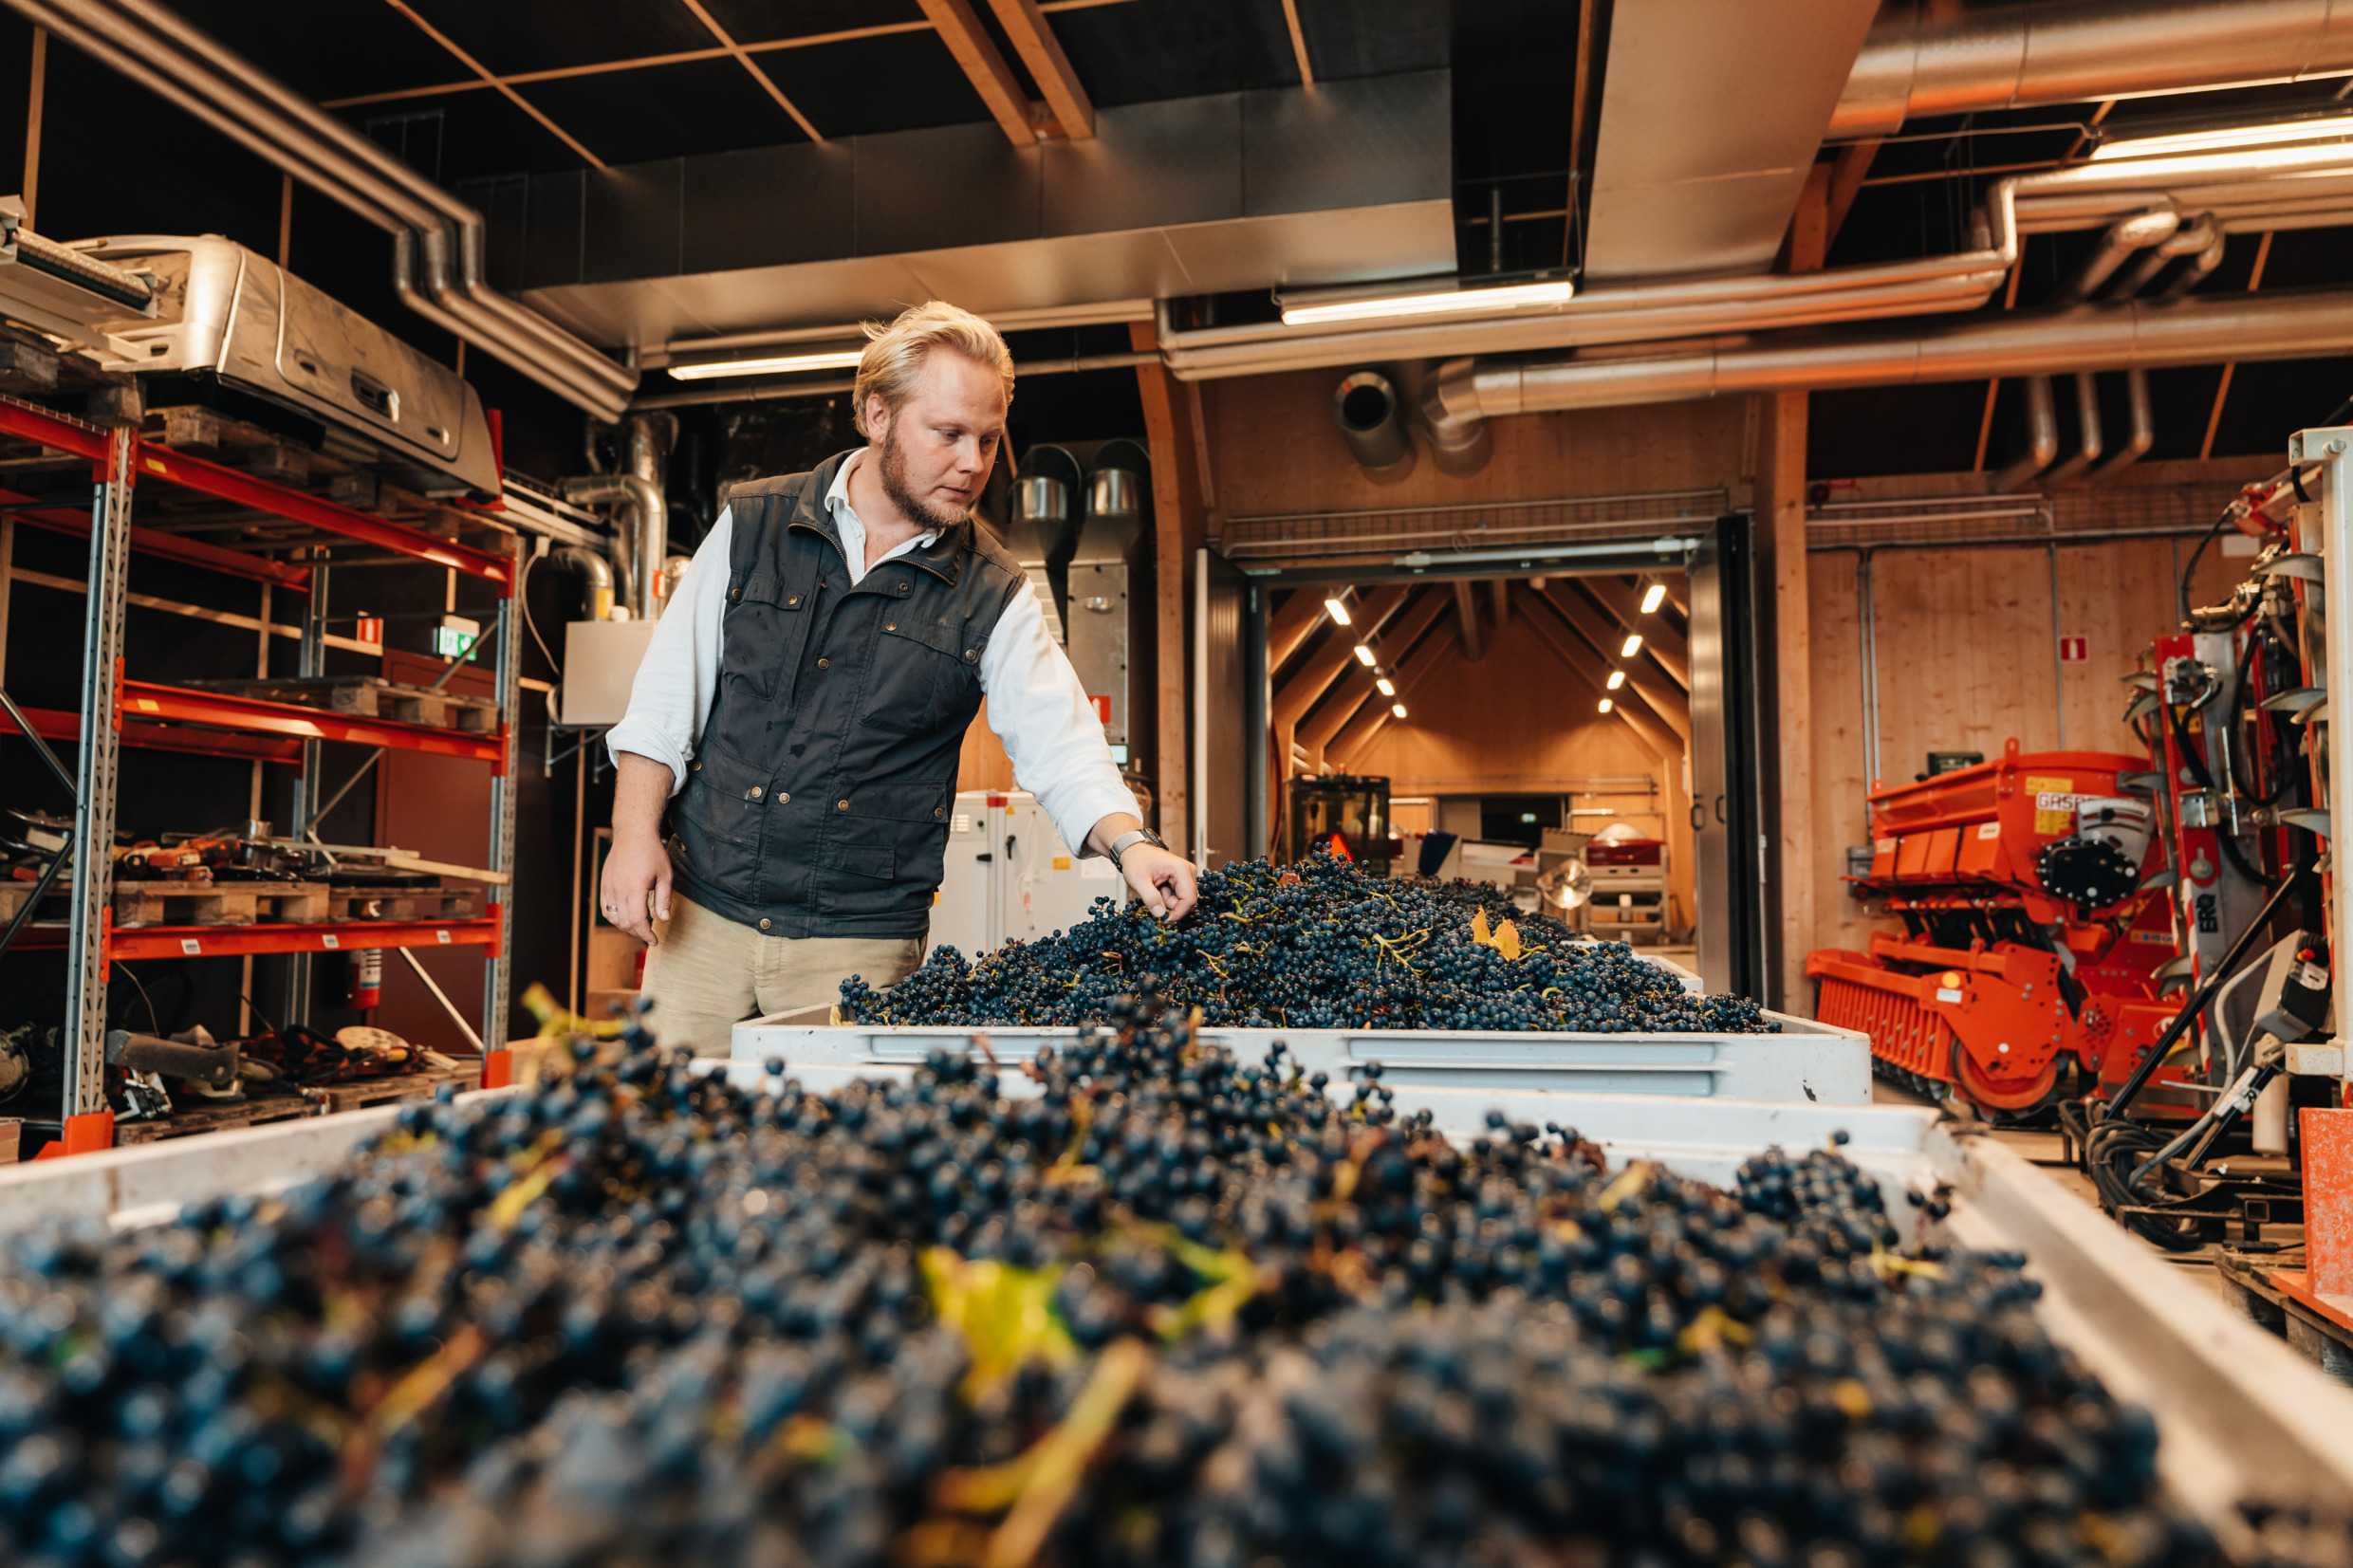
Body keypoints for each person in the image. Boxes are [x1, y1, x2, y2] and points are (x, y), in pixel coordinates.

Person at [601, 301, 1197, 1055]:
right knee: (669, 1138)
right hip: (701, 919)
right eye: (947, 433)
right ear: (877, 415)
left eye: (987, 438)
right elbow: (664, 700)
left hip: (855, 950)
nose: (973, 462)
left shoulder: (993, 590)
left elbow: (1063, 744)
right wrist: (631, 835)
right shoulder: (753, 523)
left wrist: (1131, 845)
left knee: (840, 1162)